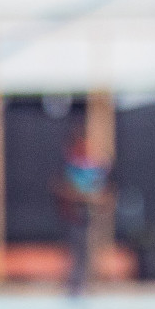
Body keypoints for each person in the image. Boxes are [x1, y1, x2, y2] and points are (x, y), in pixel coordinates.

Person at [54, 126, 114, 296]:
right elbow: (62, 189)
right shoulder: (70, 167)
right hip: (73, 217)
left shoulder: (94, 168)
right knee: (76, 253)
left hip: (89, 216)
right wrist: (81, 197)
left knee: (88, 252)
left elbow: (104, 192)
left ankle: (85, 284)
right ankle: (75, 286)